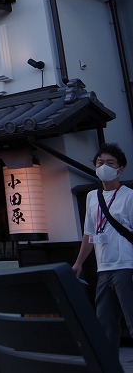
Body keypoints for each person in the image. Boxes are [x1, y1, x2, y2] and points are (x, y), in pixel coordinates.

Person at [73, 143, 133, 351]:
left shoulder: (130, 196)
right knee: (105, 325)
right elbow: (89, 234)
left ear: (120, 169)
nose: (104, 166)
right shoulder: (92, 197)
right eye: (100, 163)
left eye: (110, 163)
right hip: (103, 268)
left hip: (126, 266)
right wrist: (79, 262)